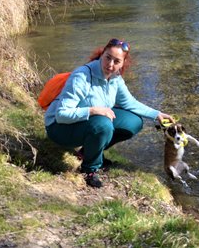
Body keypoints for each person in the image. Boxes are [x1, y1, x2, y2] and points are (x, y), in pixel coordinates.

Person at [44, 38, 173, 188]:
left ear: (123, 63)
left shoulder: (115, 78)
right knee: (103, 124)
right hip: (59, 128)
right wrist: (93, 110)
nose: (110, 65)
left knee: (133, 122)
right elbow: (62, 114)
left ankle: (89, 151)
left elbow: (129, 103)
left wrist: (157, 114)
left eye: (117, 61)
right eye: (108, 58)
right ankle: (90, 169)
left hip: (87, 123)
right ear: (102, 54)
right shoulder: (82, 76)